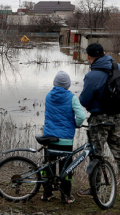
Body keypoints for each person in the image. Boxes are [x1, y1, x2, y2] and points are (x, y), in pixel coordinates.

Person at [78, 42, 120, 198]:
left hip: (99, 120)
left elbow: (84, 100)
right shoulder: (118, 68)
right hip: (117, 117)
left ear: (89, 57)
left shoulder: (91, 75)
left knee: (97, 155)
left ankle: (95, 188)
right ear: (104, 53)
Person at [42, 71, 86, 204]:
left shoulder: (49, 96)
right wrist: (77, 125)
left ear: (55, 83)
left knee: (49, 165)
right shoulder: (71, 97)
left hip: (49, 138)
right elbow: (82, 116)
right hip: (65, 140)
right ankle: (65, 195)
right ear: (67, 85)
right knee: (66, 168)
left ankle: (47, 194)